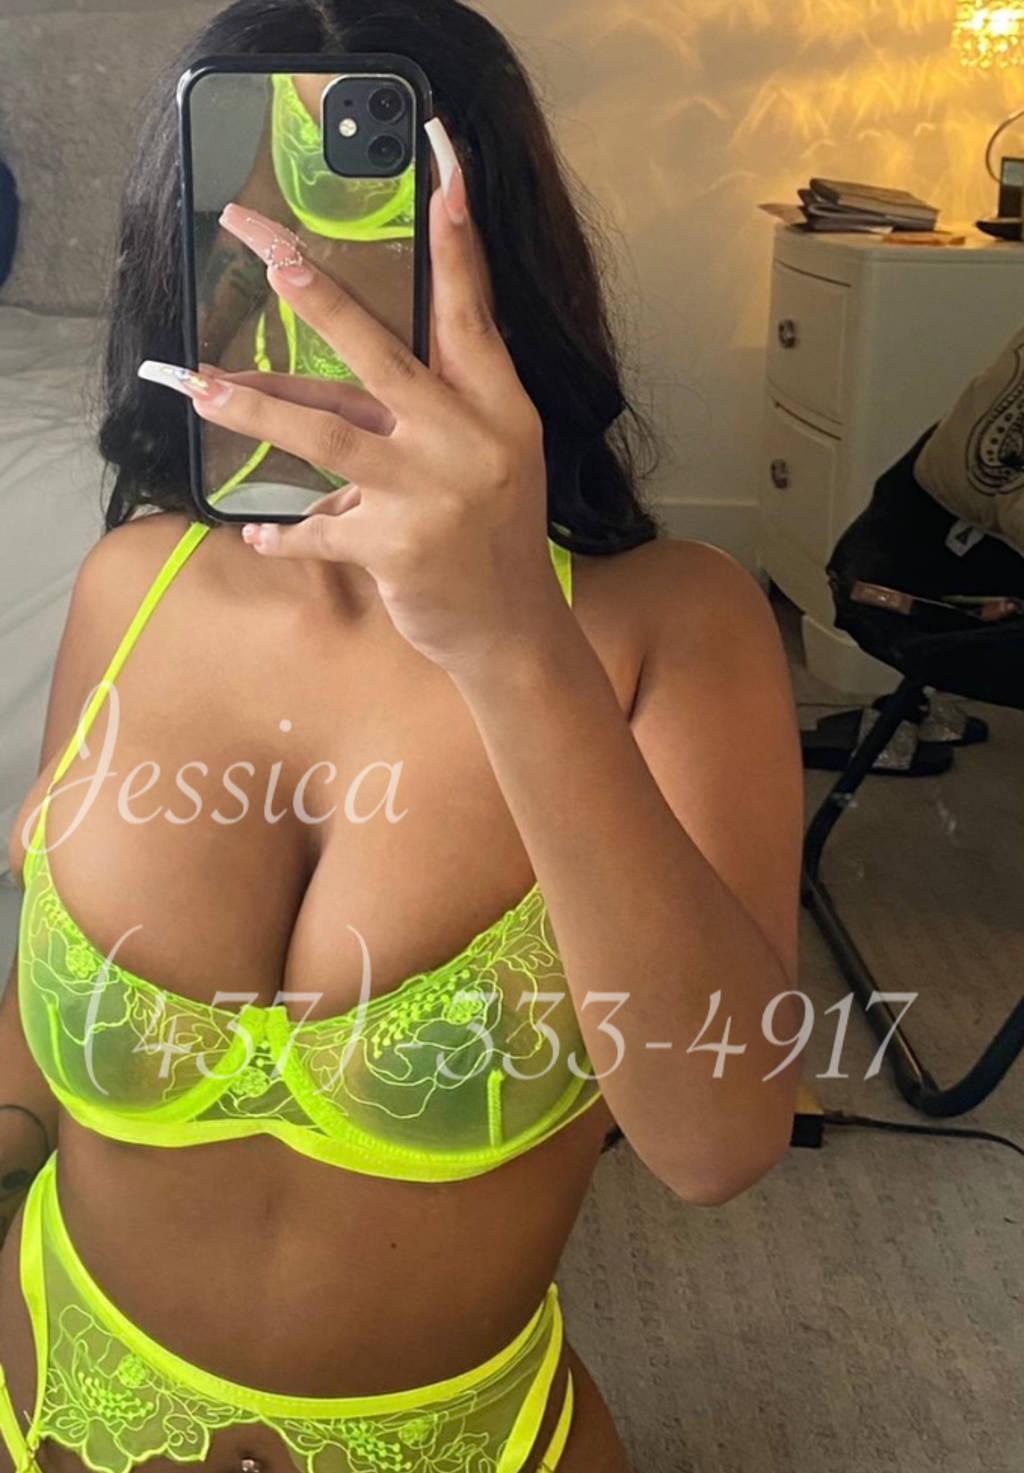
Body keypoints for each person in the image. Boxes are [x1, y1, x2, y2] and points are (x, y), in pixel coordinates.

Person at [0, 3, 804, 1471]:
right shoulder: (129, 583)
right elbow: (42, 1021)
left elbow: (721, 1138)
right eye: (246, 260)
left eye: (362, 260)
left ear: (499, 274)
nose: (305, 326)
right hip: (48, 1391)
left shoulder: (673, 629)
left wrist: (510, 641)